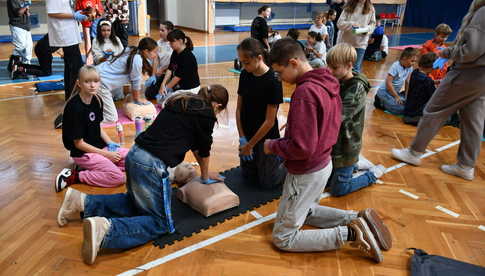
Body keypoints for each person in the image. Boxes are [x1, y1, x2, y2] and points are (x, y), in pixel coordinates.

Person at [56, 85, 229, 265]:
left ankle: (81, 202)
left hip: (134, 154)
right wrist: (206, 177)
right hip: (151, 165)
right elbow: (204, 149)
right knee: (162, 224)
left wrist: (204, 174)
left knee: (135, 202)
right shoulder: (206, 114)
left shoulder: (182, 100)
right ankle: (106, 231)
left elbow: (197, 146)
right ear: (216, 106)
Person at [264, 38, 392, 259]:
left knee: (283, 237)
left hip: (306, 170)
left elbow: (302, 148)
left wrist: (272, 146)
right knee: (307, 210)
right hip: (324, 164)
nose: (279, 78)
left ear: (293, 63)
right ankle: (355, 217)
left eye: (279, 72)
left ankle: (350, 232)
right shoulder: (328, 81)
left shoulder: (305, 93)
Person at [391, 0, 485, 181]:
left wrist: (447, 53)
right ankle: (466, 165)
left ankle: (414, 152)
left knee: (433, 111)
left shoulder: (482, 13)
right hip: (481, 77)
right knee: (473, 122)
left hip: (467, 74)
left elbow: (472, 50)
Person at [55, 65, 128, 192]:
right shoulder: (74, 107)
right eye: (87, 82)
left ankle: (102, 167)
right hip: (83, 153)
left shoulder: (97, 100)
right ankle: (73, 176)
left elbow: (97, 127)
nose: (92, 85)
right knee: (118, 178)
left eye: (95, 81)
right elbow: (79, 144)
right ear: (79, 83)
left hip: (100, 148)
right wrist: (107, 154)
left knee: (132, 159)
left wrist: (110, 143)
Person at [326, 43, 386, 197]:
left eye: (334, 68)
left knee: (338, 190)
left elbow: (338, 117)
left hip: (347, 146)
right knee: (324, 181)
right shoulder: (338, 78)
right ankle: (354, 166)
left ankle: (371, 175)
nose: (330, 72)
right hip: (335, 144)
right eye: (329, 67)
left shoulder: (357, 87)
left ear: (349, 65)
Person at [236, 38, 286, 189]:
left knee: (268, 183)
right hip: (248, 136)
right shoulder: (245, 74)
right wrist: (242, 138)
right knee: (248, 177)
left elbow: (269, 121)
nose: (243, 66)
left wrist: (250, 145)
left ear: (259, 58)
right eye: (241, 62)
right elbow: (239, 109)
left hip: (266, 138)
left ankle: (288, 160)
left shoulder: (274, 80)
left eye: (246, 62)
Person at [35, 0, 87, 129]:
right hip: (64, 34)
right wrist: (73, 15)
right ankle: (71, 108)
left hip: (69, 34)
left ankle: (70, 104)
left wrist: (75, 13)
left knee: (72, 69)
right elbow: (53, 12)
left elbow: (63, 9)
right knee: (76, 69)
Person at [96, 37, 157, 122]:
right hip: (100, 81)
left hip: (98, 73)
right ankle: (91, 121)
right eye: (154, 52)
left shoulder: (132, 50)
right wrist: (137, 99)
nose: (155, 55)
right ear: (146, 51)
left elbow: (135, 81)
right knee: (112, 118)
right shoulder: (137, 59)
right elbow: (135, 82)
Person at [158, 29, 201, 101]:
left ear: (180, 41)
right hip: (179, 87)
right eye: (169, 42)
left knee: (165, 102)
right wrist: (163, 84)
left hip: (190, 90)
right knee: (161, 99)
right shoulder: (175, 52)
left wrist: (165, 89)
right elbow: (170, 69)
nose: (170, 44)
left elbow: (177, 77)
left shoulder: (187, 57)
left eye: (172, 42)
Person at [374, 47, 418, 115]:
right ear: (404, 58)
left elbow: (407, 81)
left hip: (394, 93)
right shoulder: (396, 66)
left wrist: (406, 96)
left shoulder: (410, 67)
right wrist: (396, 97)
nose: (413, 63)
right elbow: (388, 83)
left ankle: (388, 102)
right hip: (384, 92)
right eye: (412, 61)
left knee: (409, 103)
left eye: (415, 61)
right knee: (400, 109)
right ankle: (379, 101)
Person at [337, 0, 376, 72]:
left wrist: (366, 30)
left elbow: (373, 25)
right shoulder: (349, 6)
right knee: (342, 68)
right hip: (345, 43)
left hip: (360, 44)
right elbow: (339, 24)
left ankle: (353, 83)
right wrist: (352, 24)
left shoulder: (371, 8)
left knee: (355, 69)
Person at [402, 53, 438, 126]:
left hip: (407, 112)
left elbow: (421, 83)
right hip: (416, 116)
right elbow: (435, 98)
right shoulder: (428, 81)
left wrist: (433, 82)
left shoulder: (415, 72)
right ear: (433, 66)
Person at [145, 21, 175, 100]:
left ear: (169, 31)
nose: (160, 32)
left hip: (171, 72)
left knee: (164, 95)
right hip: (161, 73)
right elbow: (156, 59)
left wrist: (162, 69)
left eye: (162, 30)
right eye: (159, 30)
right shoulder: (158, 43)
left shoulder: (173, 43)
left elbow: (174, 62)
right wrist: (154, 74)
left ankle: (170, 88)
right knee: (149, 94)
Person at [7, 0, 33, 79]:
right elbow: (18, 13)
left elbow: (26, 12)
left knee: (29, 47)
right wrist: (26, 4)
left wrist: (27, 11)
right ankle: (16, 70)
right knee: (21, 47)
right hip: (17, 25)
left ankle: (25, 68)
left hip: (26, 26)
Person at [75, 0, 104, 65]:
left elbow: (100, 11)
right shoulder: (79, 1)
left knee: (95, 39)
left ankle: (96, 57)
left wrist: (97, 10)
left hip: (95, 21)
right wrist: (84, 13)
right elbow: (77, 13)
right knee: (87, 40)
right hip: (85, 21)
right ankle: (89, 58)